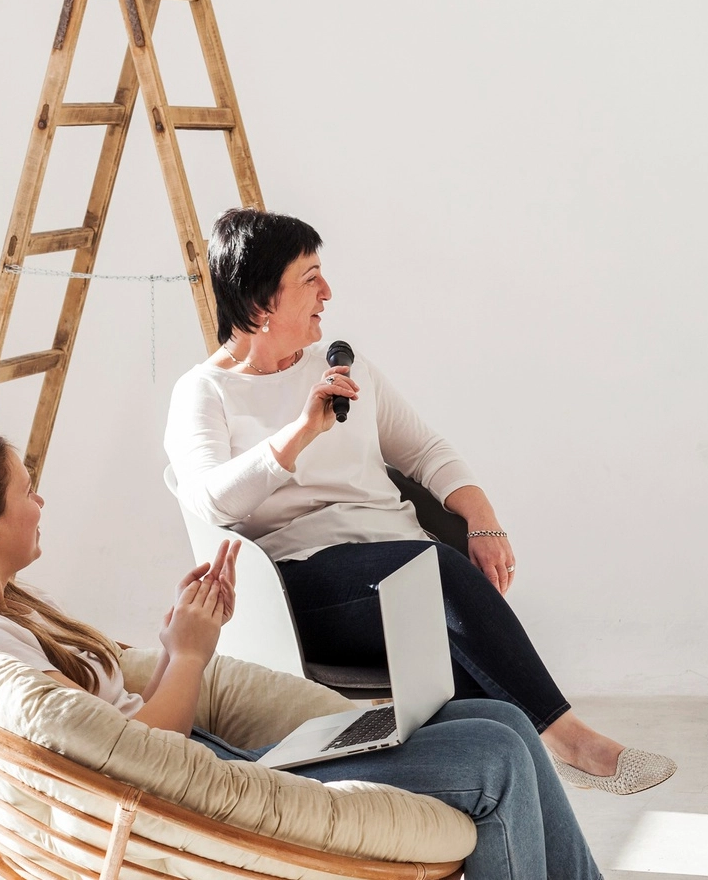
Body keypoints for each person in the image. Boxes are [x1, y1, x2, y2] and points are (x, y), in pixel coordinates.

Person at [0, 423, 602, 880]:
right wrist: (191, 652)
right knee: (497, 756)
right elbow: (143, 755)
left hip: (207, 765)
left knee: (501, 720)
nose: (41, 502)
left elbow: (116, 730)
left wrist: (177, 640)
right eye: (29, 490)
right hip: (212, 789)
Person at [165, 208, 673, 795]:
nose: (328, 293)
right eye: (310, 279)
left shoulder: (345, 368)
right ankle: (574, 744)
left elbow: (427, 452)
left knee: (482, 698)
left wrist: (483, 521)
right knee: (432, 575)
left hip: (402, 565)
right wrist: (301, 431)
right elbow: (210, 502)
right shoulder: (204, 392)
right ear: (261, 302)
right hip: (300, 586)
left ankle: (510, 791)